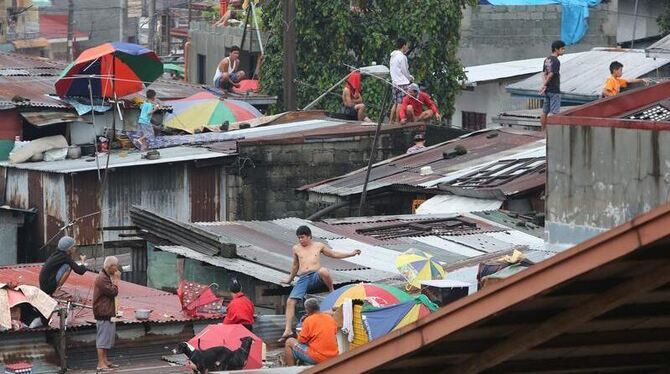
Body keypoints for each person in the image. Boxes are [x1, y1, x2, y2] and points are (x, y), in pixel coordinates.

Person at [279, 226, 361, 342]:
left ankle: (331, 291)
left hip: (316, 275)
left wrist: (351, 254)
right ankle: (288, 329)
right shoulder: (296, 248)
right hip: (303, 278)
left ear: (309, 236)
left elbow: (334, 254)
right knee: (290, 301)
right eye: (299, 238)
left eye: (302, 237)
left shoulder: (318, 246)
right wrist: (289, 279)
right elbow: (295, 266)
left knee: (324, 271)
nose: (301, 240)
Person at [284, 298, 338, 366]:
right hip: (333, 356)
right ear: (318, 307)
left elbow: (301, 341)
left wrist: (299, 333)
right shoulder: (330, 318)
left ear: (307, 310)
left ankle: (291, 370)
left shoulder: (308, 320)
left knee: (289, 341)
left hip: (319, 357)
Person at [93, 256, 120, 372]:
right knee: (102, 340)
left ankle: (105, 360)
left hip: (107, 312)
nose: (117, 268)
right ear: (110, 266)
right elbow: (113, 292)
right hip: (102, 312)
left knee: (107, 338)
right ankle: (100, 363)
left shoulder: (106, 276)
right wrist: (116, 280)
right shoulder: (102, 278)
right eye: (115, 266)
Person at [539, 40, 566, 131]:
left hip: (547, 90)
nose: (563, 51)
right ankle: (551, 133)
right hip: (554, 89)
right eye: (562, 49)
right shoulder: (556, 61)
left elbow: (544, 73)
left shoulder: (547, 59)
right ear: (556, 49)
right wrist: (545, 84)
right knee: (554, 112)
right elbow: (551, 74)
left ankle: (543, 130)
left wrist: (544, 85)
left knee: (544, 111)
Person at [390, 38, 413, 123]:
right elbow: (404, 71)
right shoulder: (402, 57)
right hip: (402, 83)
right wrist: (410, 78)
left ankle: (391, 121)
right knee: (401, 103)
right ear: (403, 46)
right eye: (406, 46)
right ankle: (397, 121)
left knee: (395, 103)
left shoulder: (392, 56)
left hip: (394, 82)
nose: (407, 48)